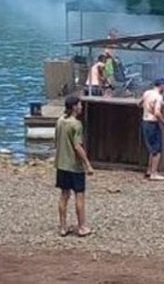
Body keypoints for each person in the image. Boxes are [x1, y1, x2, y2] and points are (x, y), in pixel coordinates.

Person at [54, 96, 95, 237]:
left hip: (61, 164)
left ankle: (63, 227)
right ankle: (82, 227)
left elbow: (56, 141)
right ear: (74, 107)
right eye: (79, 105)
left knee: (64, 195)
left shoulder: (60, 121)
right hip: (74, 166)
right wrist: (87, 164)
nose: (81, 107)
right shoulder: (76, 124)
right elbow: (77, 146)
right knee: (79, 195)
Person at [140, 78, 164, 181]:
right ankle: (154, 173)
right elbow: (157, 112)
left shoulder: (147, 93)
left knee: (152, 149)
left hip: (144, 122)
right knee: (157, 149)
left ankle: (149, 171)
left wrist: (146, 107)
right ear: (161, 86)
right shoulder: (158, 97)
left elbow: (139, 103)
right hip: (152, 123)